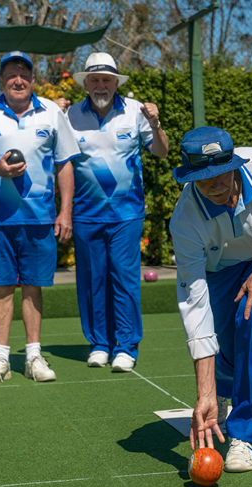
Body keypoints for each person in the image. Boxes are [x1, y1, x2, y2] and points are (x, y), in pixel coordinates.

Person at [169, 127, 252, 473]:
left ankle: (244, 435)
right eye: (202, 179)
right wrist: (206, 392)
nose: (214, 185)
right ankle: (224, 392)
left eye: (220, 174)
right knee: (225, 348)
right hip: (217, 272)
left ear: (234, 165)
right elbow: (195, 305)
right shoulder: (185, 220)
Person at [0, 51, 80, 384]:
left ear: (33, 80)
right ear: (0, 79)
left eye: (24, 74)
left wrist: (65, 211)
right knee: (2, 288)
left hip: (40, 218)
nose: (17, 80)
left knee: (34, 288)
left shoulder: (53, 112)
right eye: (11, 74)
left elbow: (65, 163)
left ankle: (33, 357)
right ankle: (0, 359)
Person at [65, 52, 168, 372]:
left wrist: (156, 123)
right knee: (92, 280)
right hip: (86, 213)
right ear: (86, 84)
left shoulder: (135, 112)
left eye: (106, 80)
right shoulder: (69, 114)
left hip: (127, 214)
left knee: (123, 279)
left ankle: (126, 346)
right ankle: (99, 344)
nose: (100, 85)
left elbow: (161, 152)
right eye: (94, 80)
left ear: (115, 83)